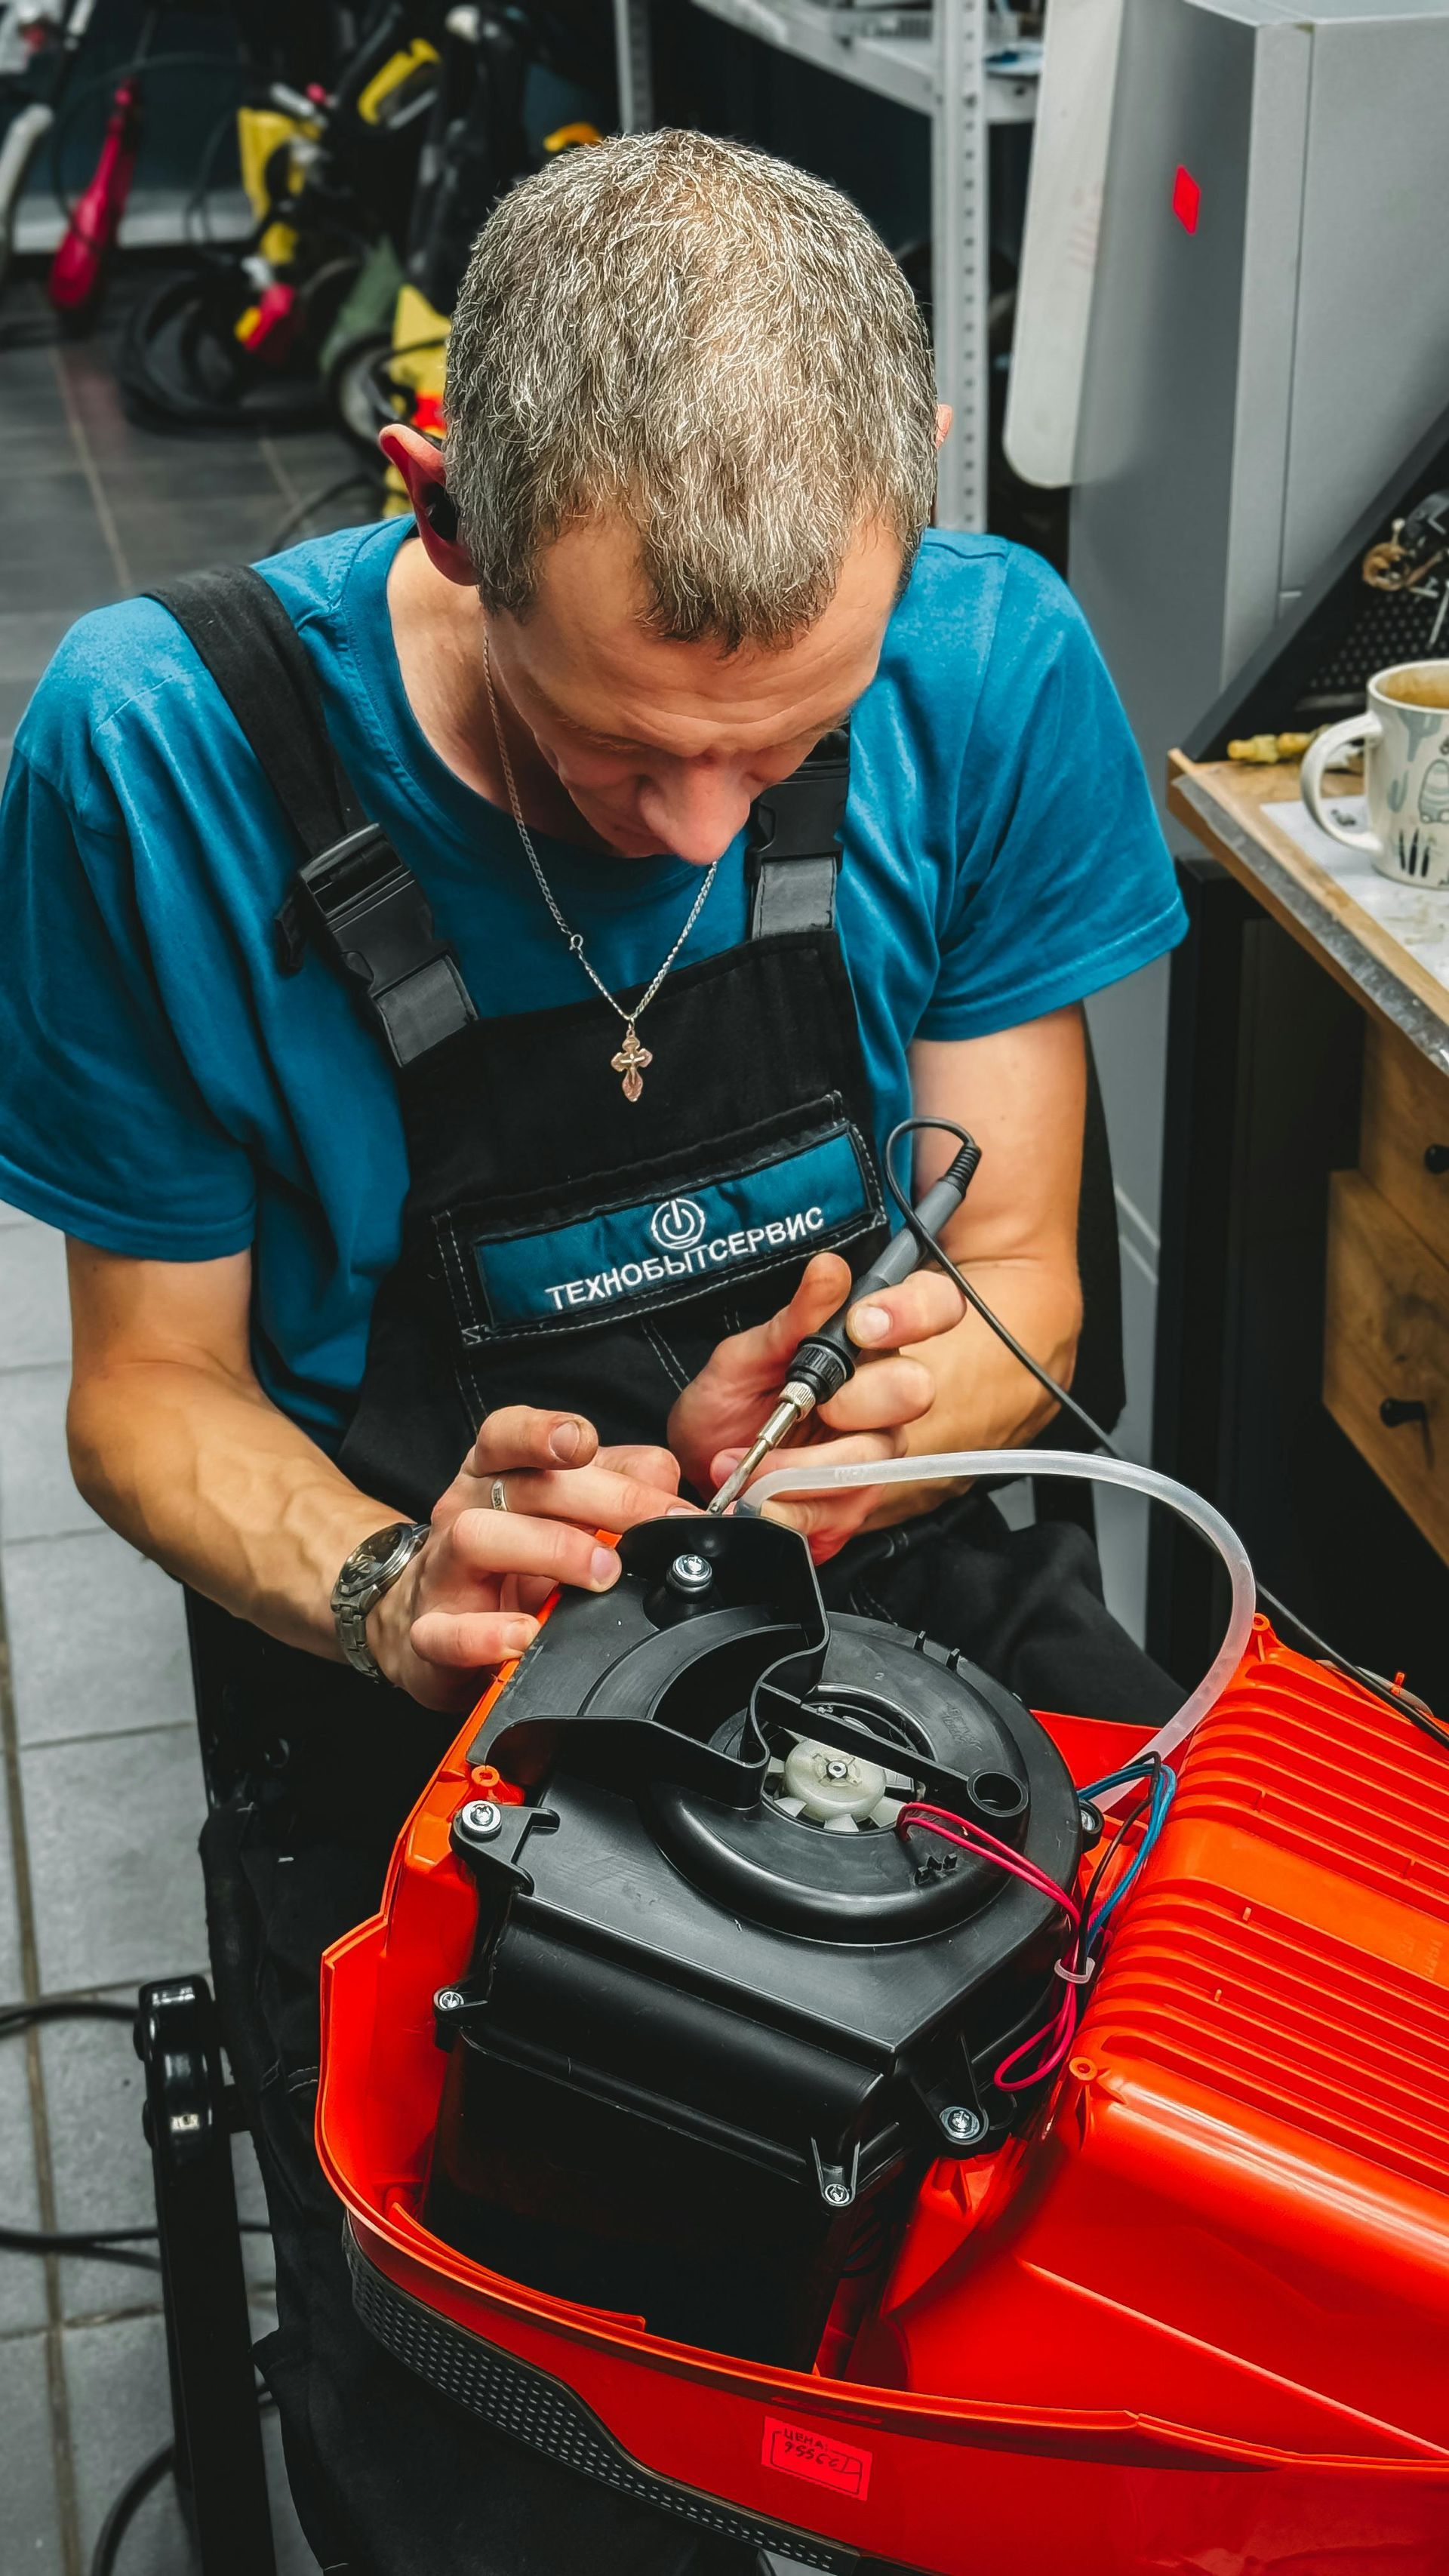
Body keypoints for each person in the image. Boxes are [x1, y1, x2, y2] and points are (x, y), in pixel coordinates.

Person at [0, 129, 1185, 2576]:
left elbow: (1036, 1271)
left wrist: (874, 1428)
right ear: (436, 500)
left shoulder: (982, 656)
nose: (692, 820)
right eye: (613, 738)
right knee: (516, 2437)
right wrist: (378, 1578)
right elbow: (145, 1394)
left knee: (1142, 2312)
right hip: (436, 1701)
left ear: (911, 518)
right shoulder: (159, 753)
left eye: (778, 745)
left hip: (902, 1625)